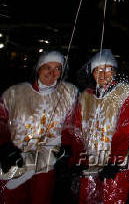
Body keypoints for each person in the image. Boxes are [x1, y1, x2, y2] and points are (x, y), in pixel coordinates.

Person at [0, 51, 77, 204]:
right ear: (38, 68)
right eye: (47, 67)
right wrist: (4, 146)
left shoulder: (68, 94)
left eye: (57, 68)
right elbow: (1, 120)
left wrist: (67, 148)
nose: (52, 73)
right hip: (16, 160)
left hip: (46, 163)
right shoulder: (15, 93)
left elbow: (71, 125)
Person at [64, 49, 129, 204]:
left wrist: (115, 161)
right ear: (92, 73)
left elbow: (125, 129)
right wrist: (77, 159)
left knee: (112, 199)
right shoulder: (86, 96)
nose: (103, 74)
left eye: (108, 69)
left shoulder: (124, 94)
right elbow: (78, 131)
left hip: (114, 164)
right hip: (89, 162)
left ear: (115, 72)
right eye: (98, 70)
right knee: (87, 199)